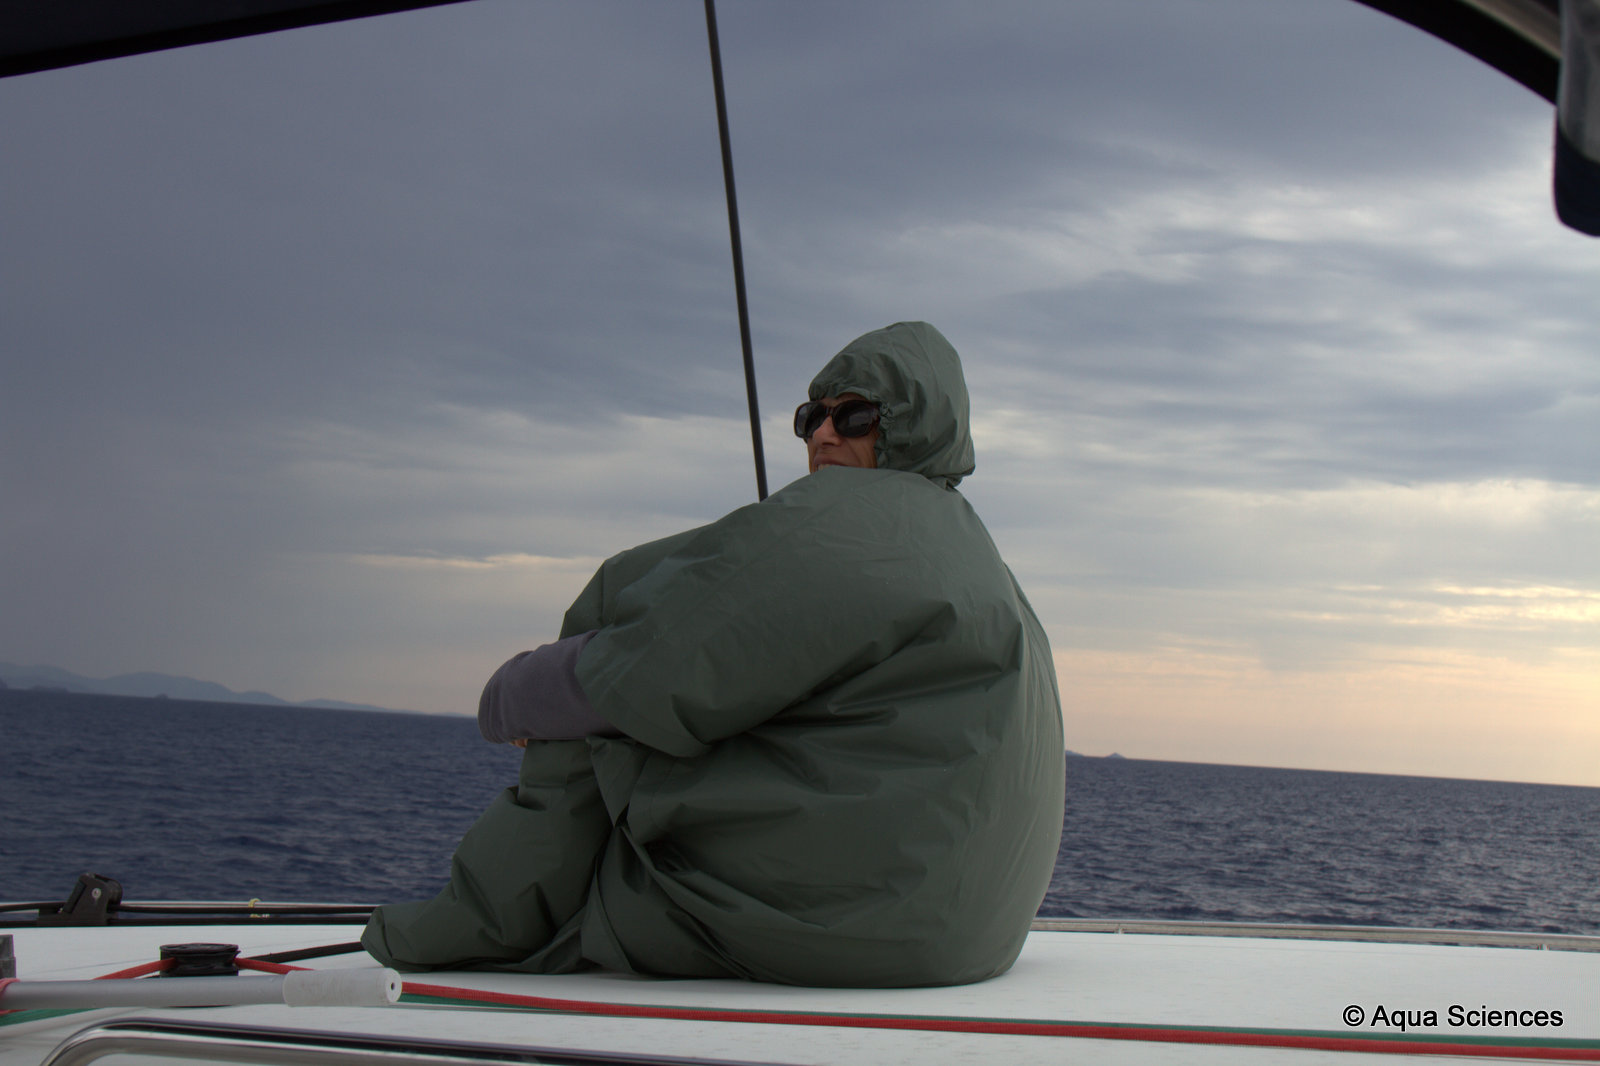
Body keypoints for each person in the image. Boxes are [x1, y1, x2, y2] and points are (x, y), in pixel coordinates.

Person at [362, 321, 1064, 987]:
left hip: (830, 925)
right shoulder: (980, 560)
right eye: (811, 417)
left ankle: (481, 922)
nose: (823, 433)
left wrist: (509, 698)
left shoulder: (839, 525)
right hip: (969, 935)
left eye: (855, 417)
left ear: (914, 426)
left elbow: (642, 667)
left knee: (604, 699)